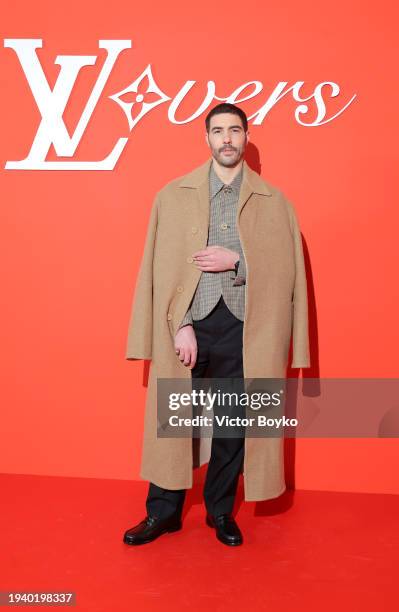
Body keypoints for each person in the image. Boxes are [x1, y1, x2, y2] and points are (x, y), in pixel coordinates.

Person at [123, 102, 310, 547]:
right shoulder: (173, 195)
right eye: (218, 131)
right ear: (206, 138)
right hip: (188, 327)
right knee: (174, 418)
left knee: (232, 422)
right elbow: (160, 269)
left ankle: (220, 511)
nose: (227, 138)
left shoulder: (274, 201)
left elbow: (288, 274)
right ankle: (163, 512)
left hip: (246, 329)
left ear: (246, 137)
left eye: (236, 130)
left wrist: (238, 262)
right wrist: (180, 324)